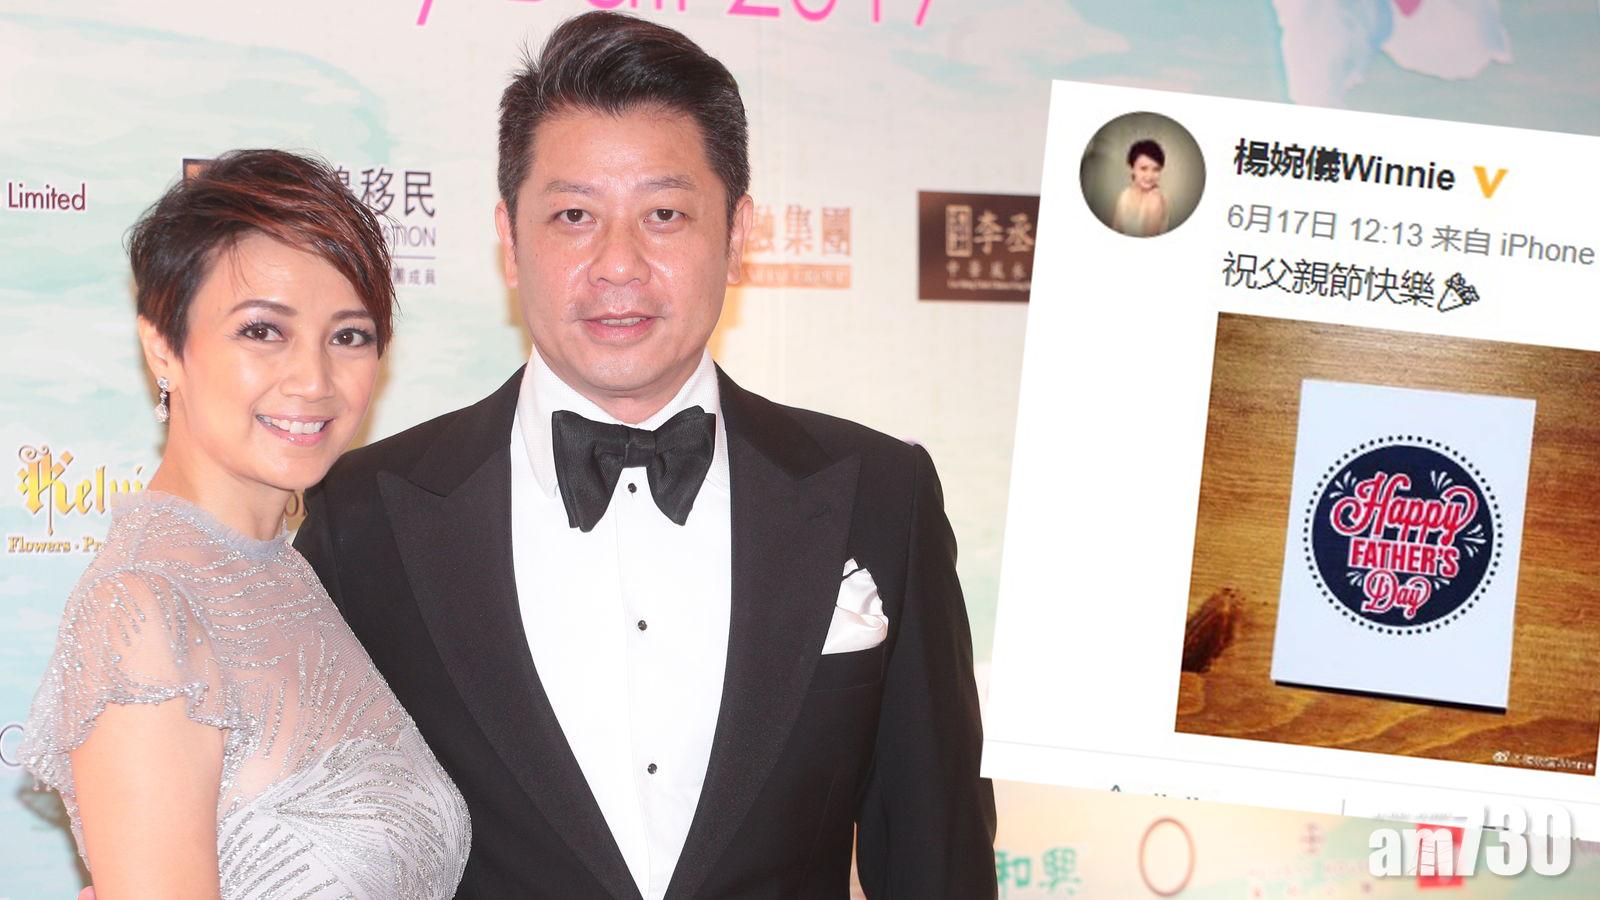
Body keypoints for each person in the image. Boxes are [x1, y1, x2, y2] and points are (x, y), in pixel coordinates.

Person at [294, 11, 996, 899]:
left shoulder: (881, 496)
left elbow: (936, 855)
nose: (617, 264)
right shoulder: (365, 515)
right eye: (573, 215)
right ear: (510, 240)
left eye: (664, 214)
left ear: (737, 234)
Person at [21, 150, 470, 900]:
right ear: (163, 347)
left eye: (349, 336)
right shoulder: (143, 611)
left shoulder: (289, 572)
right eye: (262, 331)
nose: (314, 381)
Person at [1111, 138, 1170, 237]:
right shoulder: (1124, 195)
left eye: (1156, 169)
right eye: (1143, 168)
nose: (1149, 176)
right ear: (1132, 168)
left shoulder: (1155, 199)